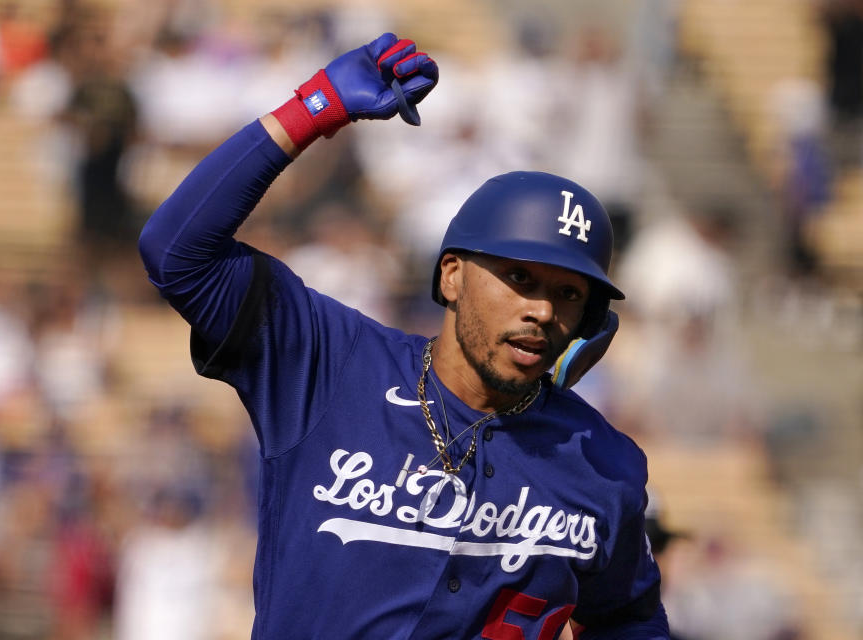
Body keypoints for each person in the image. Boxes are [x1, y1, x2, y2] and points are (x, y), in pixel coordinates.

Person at [138, 32, 669, 639]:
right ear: (451, 276)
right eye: (519, 278)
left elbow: (630, 619)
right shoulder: (329, 363)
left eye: (568, 294)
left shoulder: (603, 462)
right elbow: (175, 252)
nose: (542, 310)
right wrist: (316, 107)